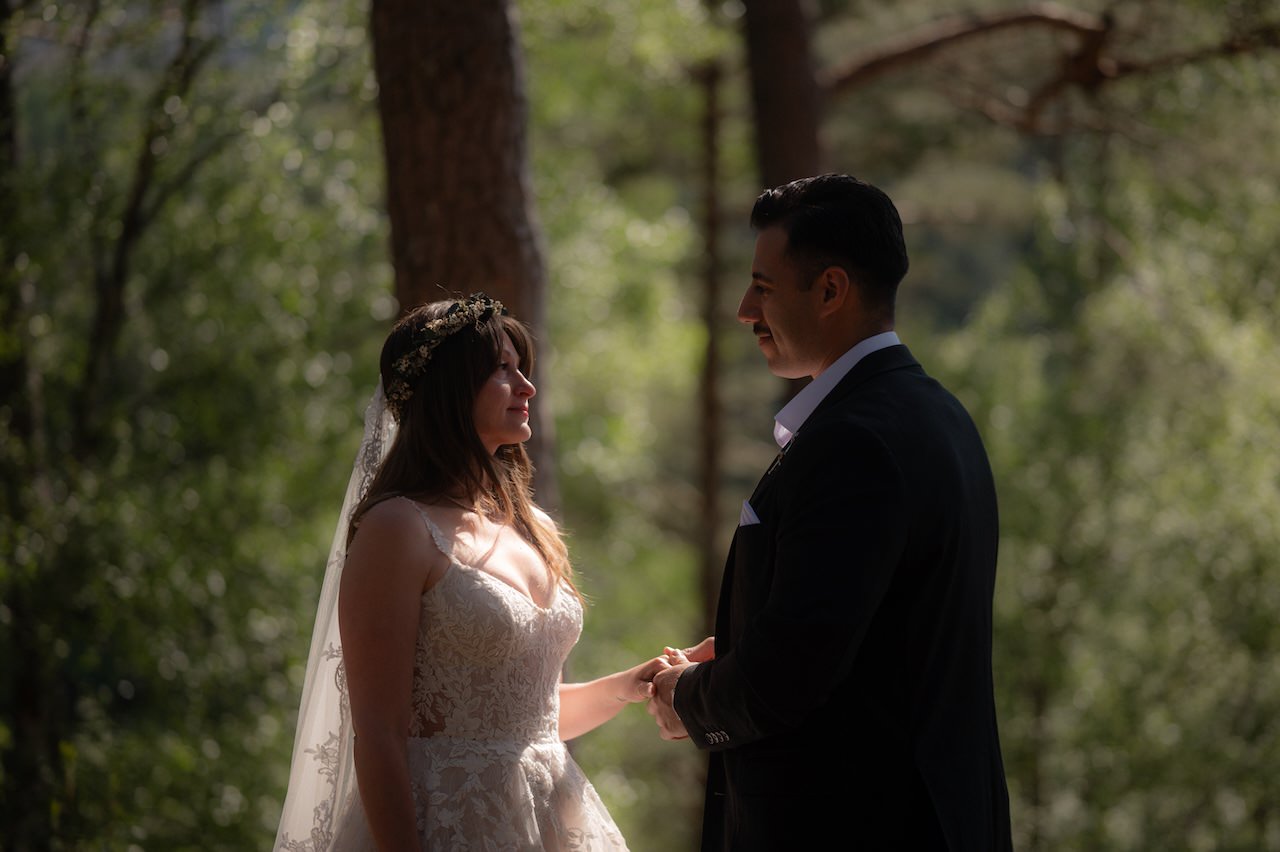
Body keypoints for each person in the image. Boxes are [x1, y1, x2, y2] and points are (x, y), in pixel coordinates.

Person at [647, 174, 1013, 850]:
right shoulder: (941, 417)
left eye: (762, 286)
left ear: (831, 289)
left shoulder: (853, 443)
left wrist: (687, 699)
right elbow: (870, 639)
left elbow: (788, 678)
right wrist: (743, 648)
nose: (742, 310)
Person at [275, 293, 669, 851]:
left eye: (521, 369)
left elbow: (527, 718)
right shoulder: (398, 528)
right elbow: (380, 734)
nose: (527, 388)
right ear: (449, 390)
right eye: (503, 371)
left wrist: (629, 685)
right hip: (446, 826)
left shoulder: (531, 525)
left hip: (548, 818)